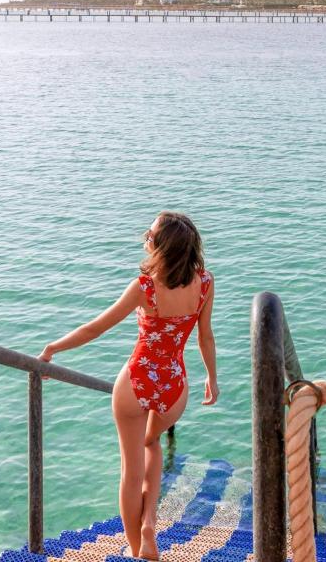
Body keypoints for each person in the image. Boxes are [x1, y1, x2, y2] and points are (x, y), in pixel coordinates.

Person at [38, 211, 218, 560]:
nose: (145, 238)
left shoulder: (145, 287)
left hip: (136, 382)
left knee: (130, 474)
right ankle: (149, 523)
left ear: (161, 247)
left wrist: (52, 349)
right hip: (174, 385)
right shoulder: (206, 283)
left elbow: (95, 328)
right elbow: (205, 337)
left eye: (150, 235)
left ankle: (137, 550)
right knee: (152, 443)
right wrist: (212, 377)